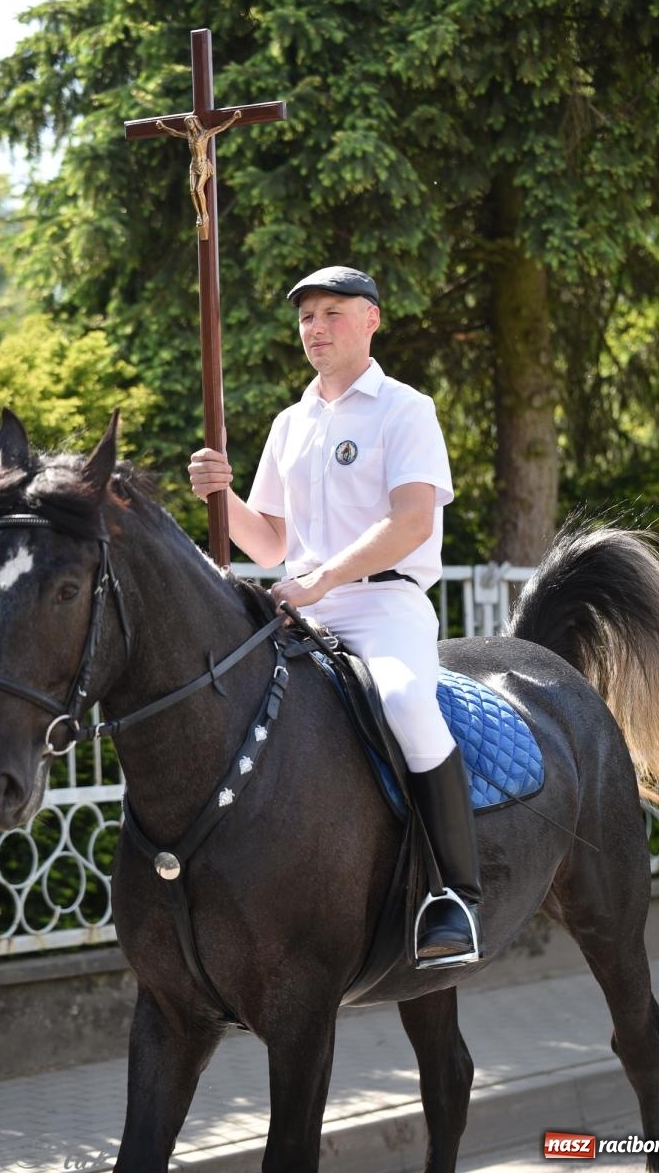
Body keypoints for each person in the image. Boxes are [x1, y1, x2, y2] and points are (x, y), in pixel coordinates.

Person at [188, 265, 482, 960]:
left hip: (382, 604)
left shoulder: (406, 410)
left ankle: (453, 896)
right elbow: (268, 539)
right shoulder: (291, 424)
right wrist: (220, 496)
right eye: (306, 319)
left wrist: (321, 578)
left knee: (408, 702)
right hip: (301, 605)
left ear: (371, 319)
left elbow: (411, 523)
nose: (315, 329)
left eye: (332, 314)